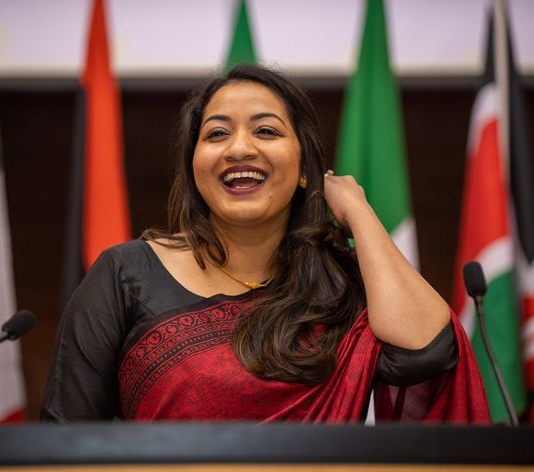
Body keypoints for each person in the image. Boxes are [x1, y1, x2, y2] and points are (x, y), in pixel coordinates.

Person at [41, 65, 489, 423]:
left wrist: (358, 212)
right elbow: (66, 434)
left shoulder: (341, 287)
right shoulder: (125, 274)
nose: (239, 149)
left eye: (266, 131)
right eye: (216, 133)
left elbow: (429, 350)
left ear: (303, 168)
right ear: (195, 168)